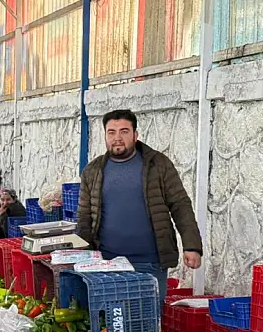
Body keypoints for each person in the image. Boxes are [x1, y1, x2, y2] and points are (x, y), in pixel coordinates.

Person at [78, 109, 203, 301]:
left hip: (150, 262)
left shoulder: (158, 165)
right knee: (113, 321)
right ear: (105, 136)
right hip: (108, 263)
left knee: (148, 321)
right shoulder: (92, 172)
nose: (117, 138)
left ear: (135, 135)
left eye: (124, 131)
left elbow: (180, 205)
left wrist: (192, 246)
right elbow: (84, 217)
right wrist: (79, 256)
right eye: (111, 132)